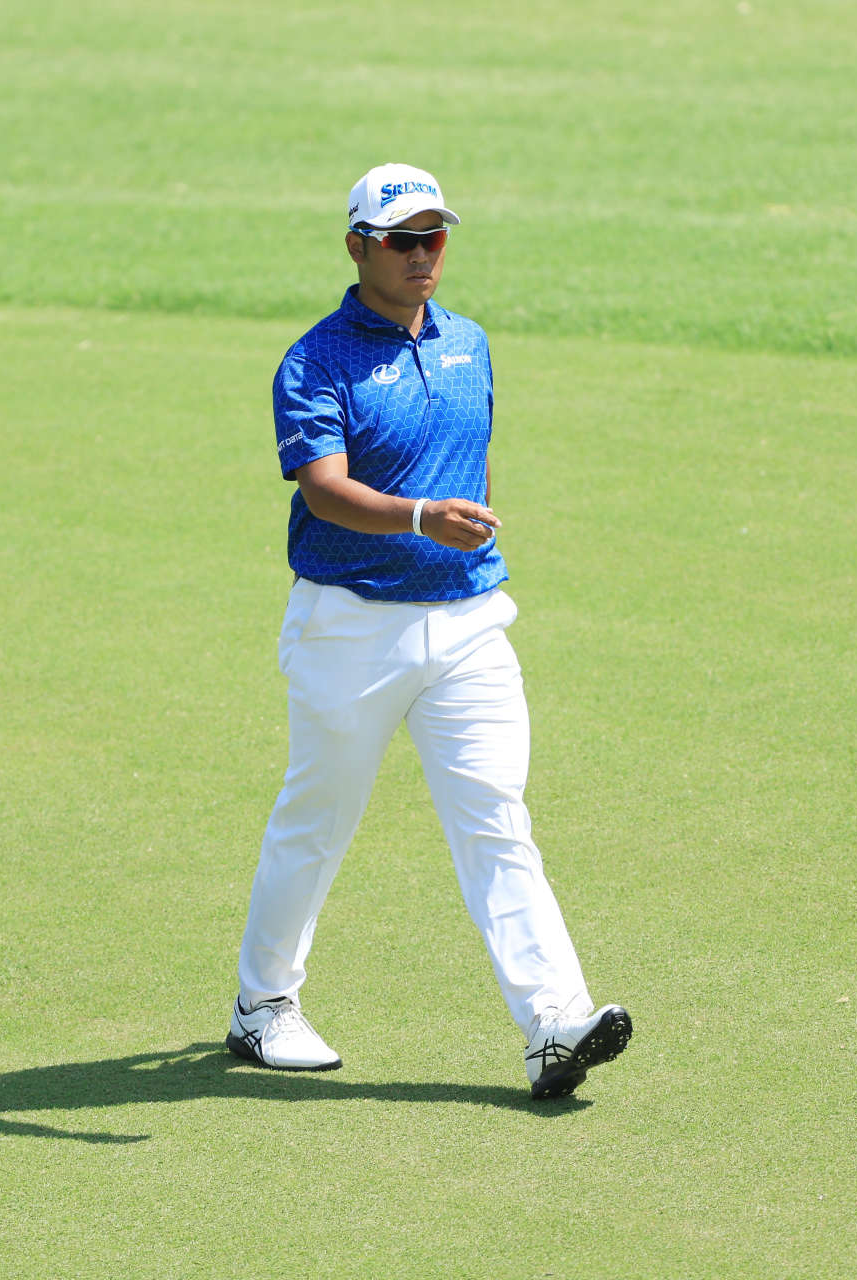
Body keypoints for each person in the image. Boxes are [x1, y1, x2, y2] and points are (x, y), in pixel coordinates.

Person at [225, 163, 630, 1099]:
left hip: (470, 626)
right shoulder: (315, 359)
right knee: (317, 821)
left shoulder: (470, 342)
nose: (422, 256)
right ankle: (262, 1007)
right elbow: (323, 489)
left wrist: (454, 541)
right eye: (403, 240)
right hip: (349, 626)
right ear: (359, 246)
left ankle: (553, 1024)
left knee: (496, 820)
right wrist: (417, 521)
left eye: (435, 237)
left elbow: (472, 461)